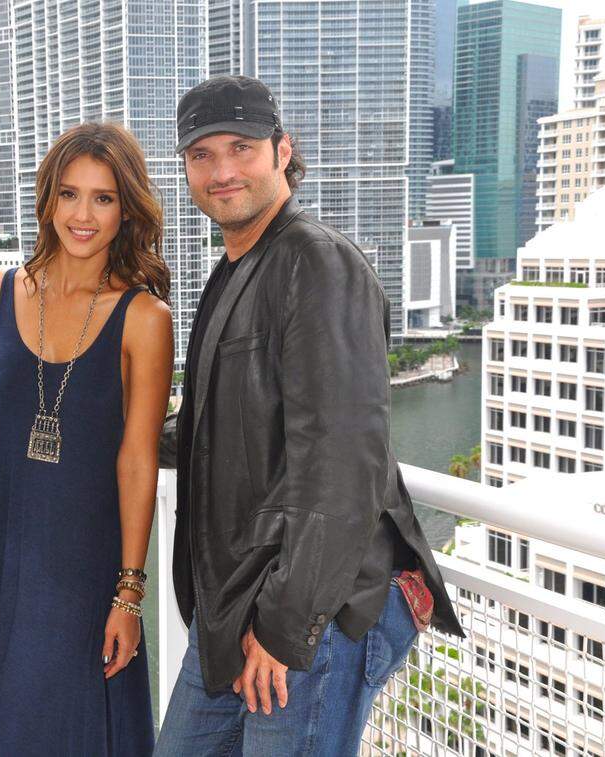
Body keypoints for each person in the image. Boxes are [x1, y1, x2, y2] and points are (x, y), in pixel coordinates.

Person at [153, 76, 465, 756]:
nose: (223, 170)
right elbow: (217, 433)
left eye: (241, 148)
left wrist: (287, 626)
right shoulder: (234, 270)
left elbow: (342, 464)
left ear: (281, 150)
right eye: (202, 155)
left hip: (310, 611)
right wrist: (112, 433)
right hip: (239, 602)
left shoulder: (316, 262)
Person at [0, 121, 173, 755]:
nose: (82, 215)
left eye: (103, 197)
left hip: (79, 568)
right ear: (47, 200)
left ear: (127, 209)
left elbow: (138, 462)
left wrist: (129, 592)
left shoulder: (145, 319)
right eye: (69, 194)